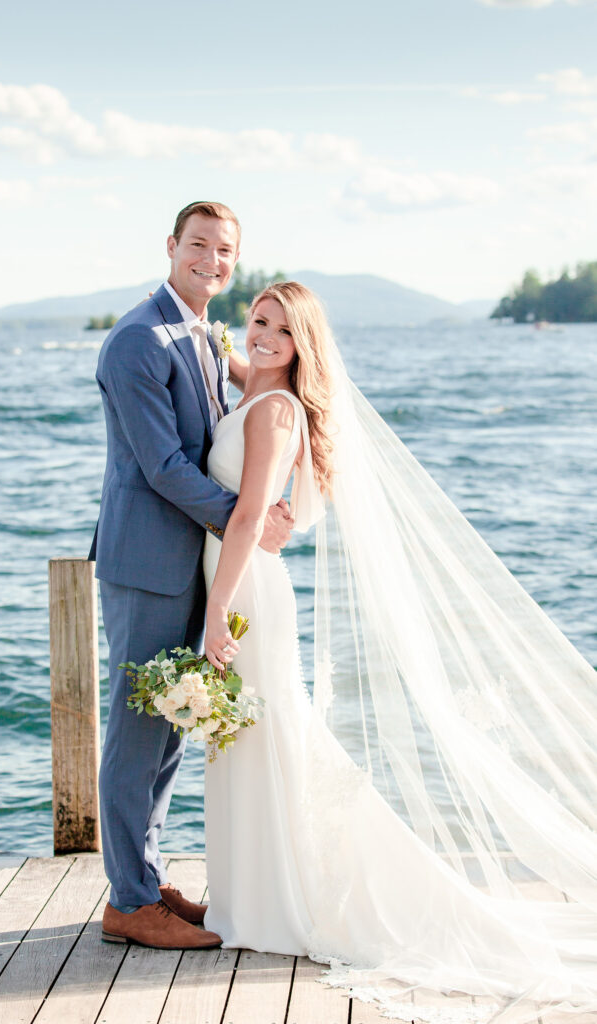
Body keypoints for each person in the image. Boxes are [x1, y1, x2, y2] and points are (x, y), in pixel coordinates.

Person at [200, 281, 597, 1023]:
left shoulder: (278, 409)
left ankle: (271, 905)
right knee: (245, 742)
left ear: (302, 347)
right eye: (256, 321)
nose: (262, 337)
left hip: (247, 590)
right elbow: (225, 357)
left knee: (265, 740)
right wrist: (211, 338)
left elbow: (252, 512)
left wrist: (217, 609)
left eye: (280, 332)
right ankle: (244, 900)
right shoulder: (252, 382)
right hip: (237, 578)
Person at [88, 201, 293, 950]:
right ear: (171, 246)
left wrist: (269, 502)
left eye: (225, 249)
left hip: (196, 559)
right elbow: (165, 467)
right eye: (198, 244)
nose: (212, 258)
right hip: (148, 561)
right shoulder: (137, 341)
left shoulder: (201, 333)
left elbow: (248, 420)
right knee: (136, 730)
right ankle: (127, 902)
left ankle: (146, 876)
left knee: (172, 724)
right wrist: (247, 515)